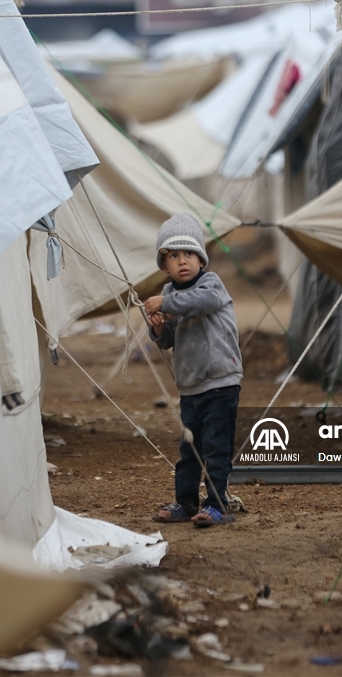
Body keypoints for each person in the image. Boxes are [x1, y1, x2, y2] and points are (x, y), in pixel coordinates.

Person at [145, 212, 243, 528]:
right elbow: (169, 340)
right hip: (191, 386)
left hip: (220, 382)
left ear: (201, 259)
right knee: (189, 451)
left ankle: (217, 504)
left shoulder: (211, 285)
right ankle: (186, 503)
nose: (182, 261)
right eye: (173, 255)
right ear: (164, 264)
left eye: (189, 253)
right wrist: (159, 329)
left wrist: (165, 305)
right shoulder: (170, 295)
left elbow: (198, 303)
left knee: (216, 449)